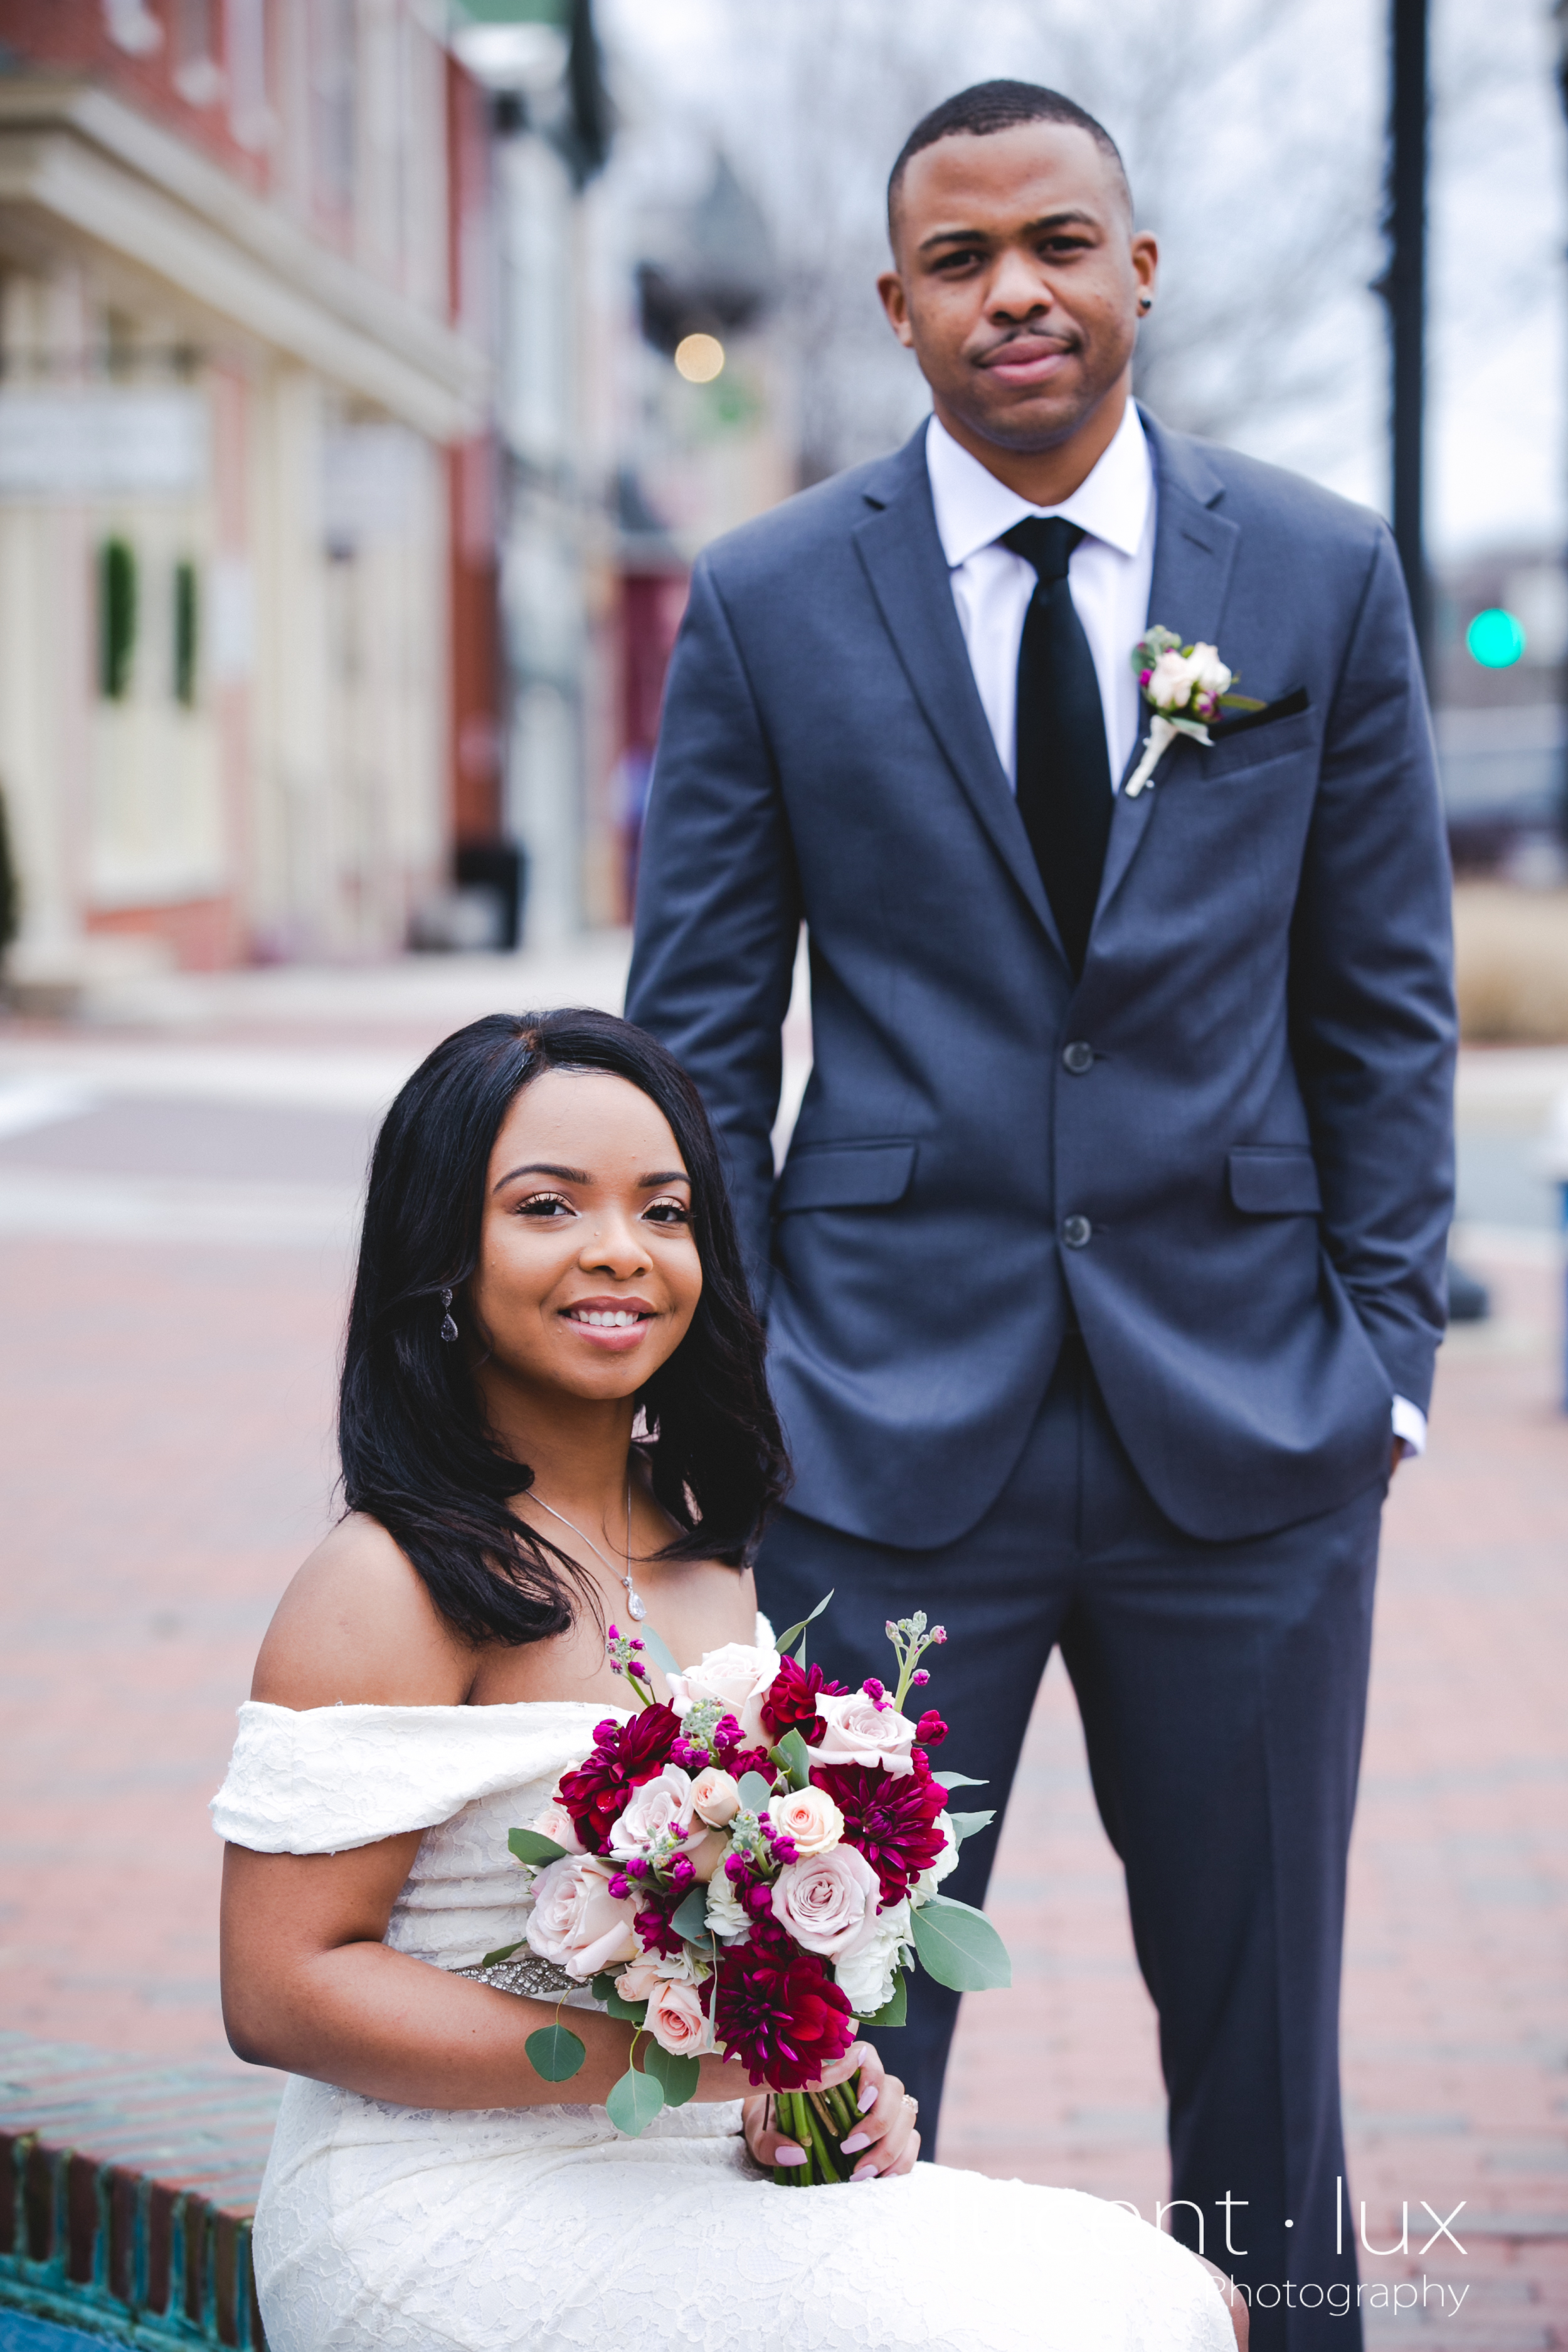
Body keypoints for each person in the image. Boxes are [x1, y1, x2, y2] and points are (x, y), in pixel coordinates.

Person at [625, 80, 1456, 2351]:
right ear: (895, 304)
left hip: (1255, 1442)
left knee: (1266, 2076)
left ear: (1139, 269)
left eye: (1062, 245)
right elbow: (695, 1041)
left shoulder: (1315, 571)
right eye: (965, 260)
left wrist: (1381, 1366)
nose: (1019, 293)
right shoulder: (775, 599)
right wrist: (750, 1402)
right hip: (876, 1451)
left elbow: (1385, 1007)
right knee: (829, 2070)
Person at [213, 1009, 1242, 2352]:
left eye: (665, 1211)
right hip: (437, 2199)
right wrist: (687, 2064)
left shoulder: (704, 1561)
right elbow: (279, 1990)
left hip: (669, 2168)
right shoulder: (390, 1578)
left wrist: (816, 2069)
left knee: (1178, 2295)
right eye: (546, 1207)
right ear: (443, 1252)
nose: (619, 1253)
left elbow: (705, 1961)